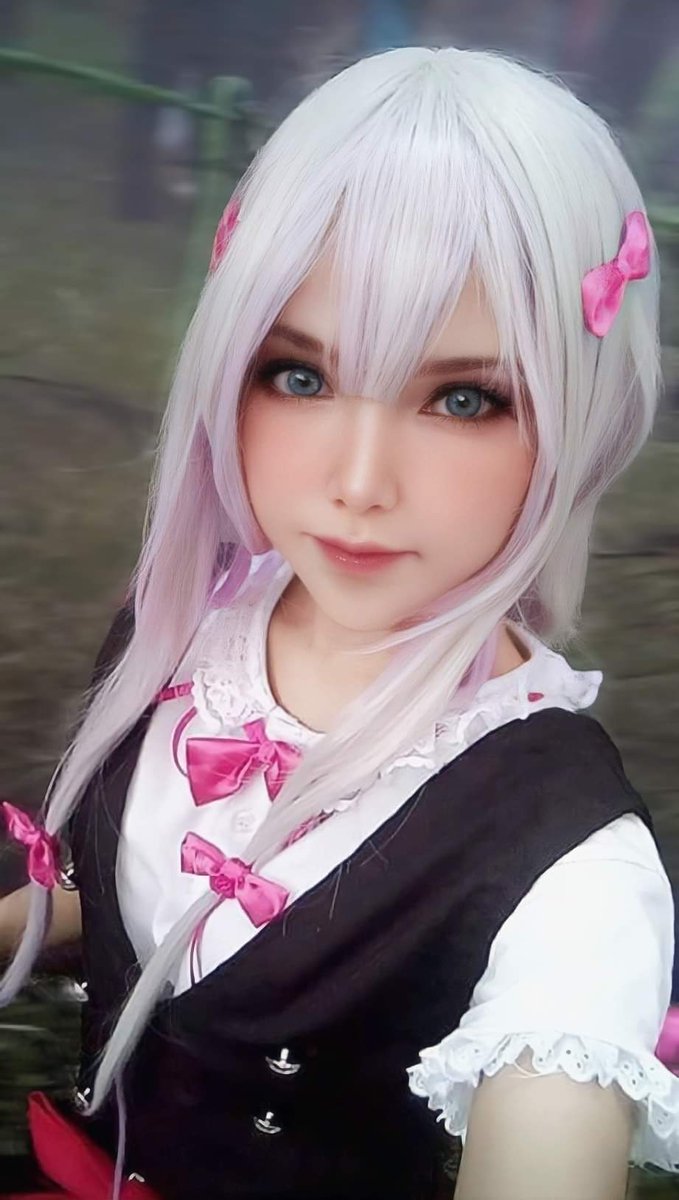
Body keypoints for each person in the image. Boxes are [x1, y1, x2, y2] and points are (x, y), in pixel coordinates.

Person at [0, 43, 676, 1200]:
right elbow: (173, 917)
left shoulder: (575, 874)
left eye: (463, 397)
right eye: (301, 376)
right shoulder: (190, 627)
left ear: (583, 410)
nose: (358, 482)